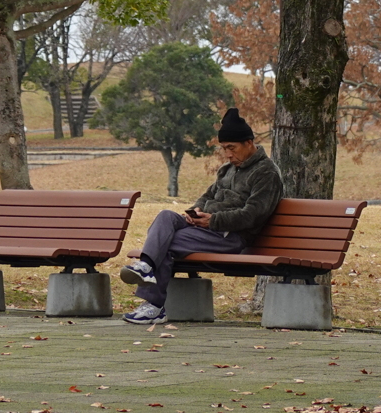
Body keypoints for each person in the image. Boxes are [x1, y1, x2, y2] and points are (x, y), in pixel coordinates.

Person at [119, 106, 283, 323]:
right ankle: (146, 267)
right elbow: (207, 196)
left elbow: (252, 215)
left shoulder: (266, 173)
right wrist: (196, 211)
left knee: (166, 244)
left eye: (231, 148)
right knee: (166, 216)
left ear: (249, 143)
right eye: (224, 148)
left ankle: (154, 304)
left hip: (230, 236)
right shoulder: (228, 169)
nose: (228, 154)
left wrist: (213, 221)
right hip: (205, 228)